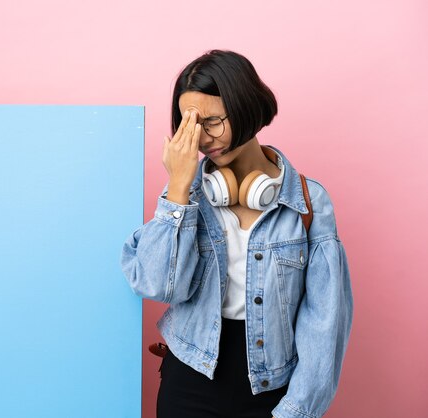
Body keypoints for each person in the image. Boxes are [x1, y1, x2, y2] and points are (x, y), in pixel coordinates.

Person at [120, 50, 354, 418]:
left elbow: (325, 323)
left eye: (212, 121)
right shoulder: (186, 196)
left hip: (271, 389)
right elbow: (157, 286)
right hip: (189, 378)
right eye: (190, 125)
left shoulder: (309, 203)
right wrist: (179, 187)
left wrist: (295, 410)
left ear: (246, 108)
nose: (202, 139)